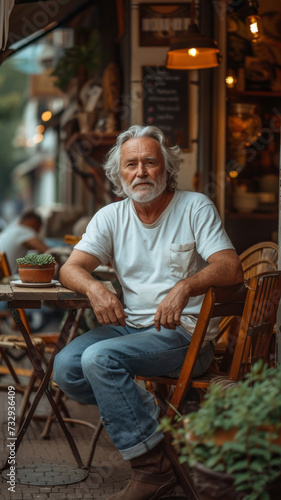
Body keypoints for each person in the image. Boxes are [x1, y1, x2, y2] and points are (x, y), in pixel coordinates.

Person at [53, 125, 244, 500]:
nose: (140, 171)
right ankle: (159, 432)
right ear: (118, 174)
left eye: (150, 162)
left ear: (166, 169)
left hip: (185, 335)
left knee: (99, 359)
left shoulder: (194, 206)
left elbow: (230, 267)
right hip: (131, 330)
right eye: (131, 164)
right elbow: (69, 268)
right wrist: (95, 288)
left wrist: (185, 286)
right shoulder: (111, 216)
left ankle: (151, 469)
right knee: (67, 369)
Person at [0, 208, 49, 275]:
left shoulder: (10, 229)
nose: (37, 233)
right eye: (38, 229)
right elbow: (48, 251)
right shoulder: (25, 231)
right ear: (32, 222)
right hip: (5, 279)